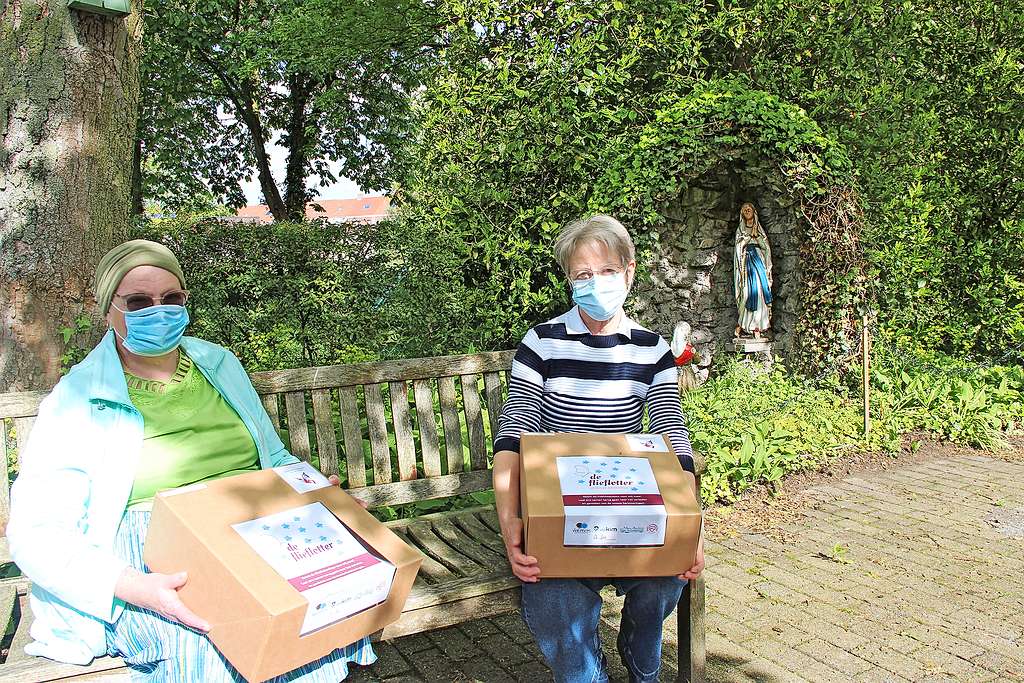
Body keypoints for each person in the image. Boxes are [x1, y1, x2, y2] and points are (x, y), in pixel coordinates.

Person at [7, 240, 375, 681]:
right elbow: (37, 532)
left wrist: (320, 497)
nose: (158, 311)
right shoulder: (77, 398)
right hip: (152, 553)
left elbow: (272, 455)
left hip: (254, 528)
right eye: (139, 302)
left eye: (172, 298)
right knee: (212, 632)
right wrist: (135, 587)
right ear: (108, 311)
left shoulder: (218, 363)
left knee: (329, 594)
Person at [492, 215, 705, 683]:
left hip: (630, 511)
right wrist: (511, 525)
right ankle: (589, 673)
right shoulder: (541, 343)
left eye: (606, 271)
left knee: (667, 578)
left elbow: (673, 437)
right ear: (569, 281)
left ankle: (639, 650)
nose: (596, 283)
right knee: (553, 604)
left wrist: (693, 527)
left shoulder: (652, 351)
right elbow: (514, 434)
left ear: (629, 272)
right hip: (558, 518)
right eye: (582, 275)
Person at [733, 202, 773, 339]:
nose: (747, 211)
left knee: (760, 292)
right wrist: (746, 240)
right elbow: (738, 248)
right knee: (746, 293)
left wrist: (758, 239)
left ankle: (757, 326)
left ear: (754, 212)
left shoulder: (759, 229)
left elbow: (766, 247)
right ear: (742, 214)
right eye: (745, 210)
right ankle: (742, 324)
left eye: (749, 209)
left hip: (759, 264)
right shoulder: (741, 230)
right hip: (746, 264)